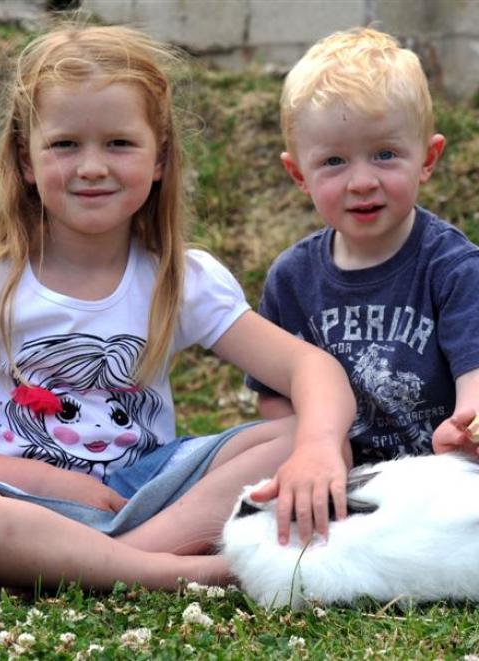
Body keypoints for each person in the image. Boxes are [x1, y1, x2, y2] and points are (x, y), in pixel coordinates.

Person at [0, 21, 356, 589]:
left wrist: (319, 449)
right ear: (26, 161)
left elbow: (311, 368)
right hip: (19, 499)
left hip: (150, 496)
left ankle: (106, 563)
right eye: (64, 144)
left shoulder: (178, 278)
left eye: (119, 143)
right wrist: (50, 481)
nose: (91, 167)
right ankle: (175, 572)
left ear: (159, 157)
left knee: (300, 434)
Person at [246, 27, 479, 524]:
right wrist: (311, 454)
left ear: (428, 159)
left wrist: (466, 430)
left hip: (442, 476)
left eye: (385, 154)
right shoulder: (292, 278)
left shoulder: (454, 268)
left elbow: (475, 378)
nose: (362, 181)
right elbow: (275, 397)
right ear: (299, 175)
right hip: (341, 478)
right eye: (333, 161)